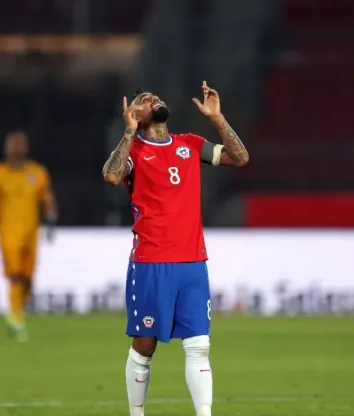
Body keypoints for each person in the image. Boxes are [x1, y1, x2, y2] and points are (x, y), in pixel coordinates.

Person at [102, 81, 249, 416]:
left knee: (199, 345)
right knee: (145, 345)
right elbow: (111, 176)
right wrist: (128, 131)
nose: (152, 98)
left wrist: (218, 118)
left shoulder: (189, 145)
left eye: (155, 96)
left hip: (193, 262)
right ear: (135, 115)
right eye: (142, 100)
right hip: (151, 261)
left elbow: (240, 158)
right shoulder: (135, 152)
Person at [0, 130, 58, 342]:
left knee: (28, 280)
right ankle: (16, 320)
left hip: (31, 233)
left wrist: (51, 219)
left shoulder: (37, 172)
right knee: (14, 275)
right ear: (6, 148)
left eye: (20, 144)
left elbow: (46, 198)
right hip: (8, 233)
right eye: (13, 144)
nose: (16, 148)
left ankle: (17, 314)